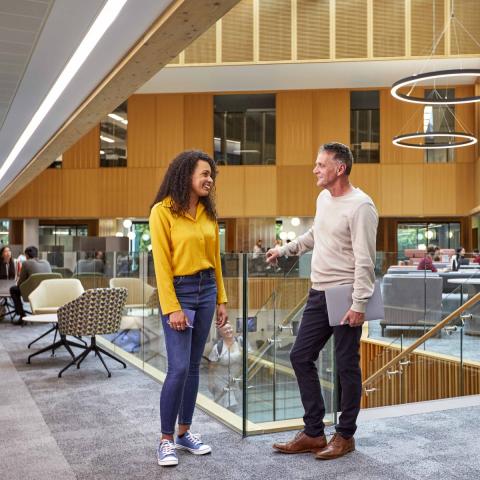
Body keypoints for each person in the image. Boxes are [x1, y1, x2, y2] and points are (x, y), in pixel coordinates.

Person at [266, 142, 378, 460]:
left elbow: (365, 260)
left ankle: (345, 436)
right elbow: (316, 234)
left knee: (345, 366)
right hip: (318, 292)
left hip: (346, 294)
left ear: (339, 168)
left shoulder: (361, 206)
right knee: (301, 356)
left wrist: (359, 304)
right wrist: (284, 249)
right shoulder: (323, 198)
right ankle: (314, 433)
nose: (315, 169)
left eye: (320, 164)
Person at [149, 150, 228, 467]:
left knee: (195, 365)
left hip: (207, 290)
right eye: (204, 174)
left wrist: (221, 298)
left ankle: (184, 433)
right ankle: (165, 440)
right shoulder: (162, 211)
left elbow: (217, 261)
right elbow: (161, 266)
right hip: (179, 292)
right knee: (178, 367)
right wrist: (172, 308)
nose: (210, 180)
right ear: (186, 176)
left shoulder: (208, 214)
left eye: (211, 175)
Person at [207, 322, 244, 412]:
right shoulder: (218, 347)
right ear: (221, 333)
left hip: (236, 379)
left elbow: (250, 356)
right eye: (225, 330)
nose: (228, 331)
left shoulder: (241, 342)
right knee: (230, 404)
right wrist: (210, 382)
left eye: (229, 328)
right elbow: (211, 366)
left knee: (236, 403)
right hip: (221, 380)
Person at [10, 246, 51, 323]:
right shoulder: (46, 262)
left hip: (31, 293)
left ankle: (22, 315)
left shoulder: (26, 263)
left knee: (14, 289)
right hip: (45, 293)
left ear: (27, 255)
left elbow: (20, 283)